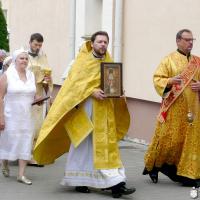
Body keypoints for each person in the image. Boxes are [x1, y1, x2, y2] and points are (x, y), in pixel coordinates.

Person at [33, 31, 136, 198]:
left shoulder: (109, 61)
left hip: (104, 111)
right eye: (100, 42)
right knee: (81, 144)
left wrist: (118, 91)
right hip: (85, 109)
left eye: (105, 42)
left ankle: (117, 184)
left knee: (105, 145)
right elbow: (73, 86)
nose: (103, 45)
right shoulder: (82, 62)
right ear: (92, 43)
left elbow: (112, 83)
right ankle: (79, 180)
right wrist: (91, 92)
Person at [143, 29, 200, 187]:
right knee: (169, 140)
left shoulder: (197, 61)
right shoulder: (168, 60)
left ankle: (188, 174)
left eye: (192, 40)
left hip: (193, 110)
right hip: (173, 109)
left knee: (190, 141)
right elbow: (157, 79)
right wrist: (169, 81)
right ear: (178, 41)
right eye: (187, 40)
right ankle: (155, 165)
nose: (190, 43)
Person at [0, 48, 37, 185]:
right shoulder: (6, 76)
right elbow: (0, 97)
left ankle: (21, 175)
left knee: (25, 143)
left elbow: (33, 95)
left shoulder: (31, 75)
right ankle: (4, 162)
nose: (24, 61)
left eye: (26, 58)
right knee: (9, 142)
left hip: (27, 116)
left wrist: (39, 99)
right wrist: (1, 118)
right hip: (10, 115)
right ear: (15, 60)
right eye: (21, 58)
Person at [27, 33, 53, 167]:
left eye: (40, 45)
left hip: (40, 94)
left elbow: (48, 73)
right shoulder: (23, 55)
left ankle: (34, 153)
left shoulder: (43, 56)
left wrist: (47, 81)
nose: (37, 47)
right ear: (30, 42)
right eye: (36, 44)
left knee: (39, 125)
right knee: (28, 125)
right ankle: (25, 154)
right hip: (27, 95)